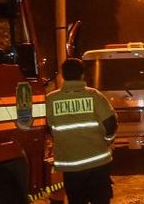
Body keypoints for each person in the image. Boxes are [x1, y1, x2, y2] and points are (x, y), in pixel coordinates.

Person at [46, 57, 117, 204]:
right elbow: (110, 124)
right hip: (98, 163)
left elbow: (46, 128)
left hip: (71, 167)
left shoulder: (50, 100)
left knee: (76, 200)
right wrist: (107, 142)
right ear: (83, 74)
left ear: (62, 75)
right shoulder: (94, 96)